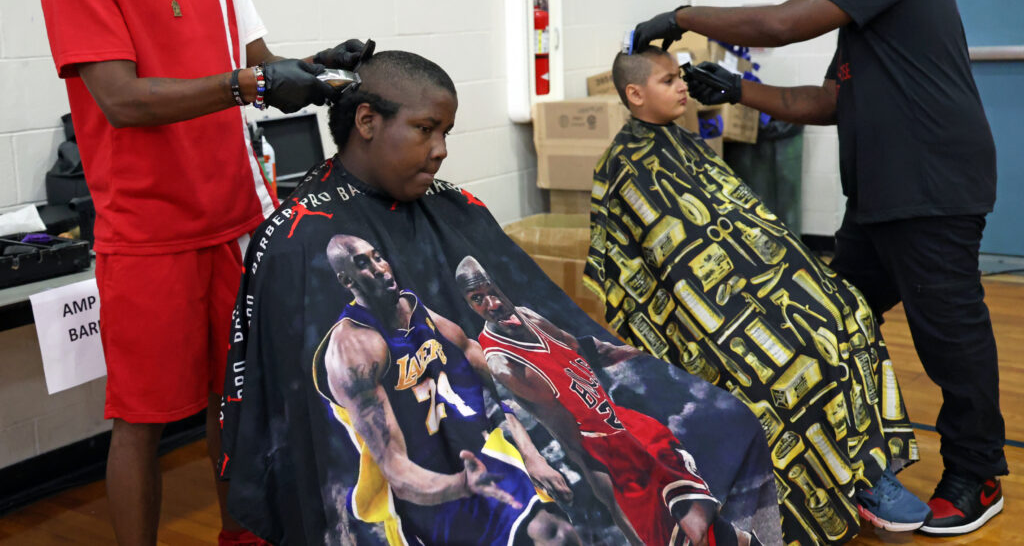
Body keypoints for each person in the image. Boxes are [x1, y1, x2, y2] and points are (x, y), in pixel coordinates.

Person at [220, 50, 784, 545]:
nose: (440, 150)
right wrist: (464, 477)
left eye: (447, 132)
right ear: (366, 121)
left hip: (507, 429)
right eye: (425, 130)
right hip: (430, 476)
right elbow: (338, 438)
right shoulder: (300, 242)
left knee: (729, 424)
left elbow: (522, 334)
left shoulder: (453, 207)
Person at [38, 0, 370, 545]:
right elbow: (121, 99)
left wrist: (323, 68)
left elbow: (259, 65)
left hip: (234, 218)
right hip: (148, 231)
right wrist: (246, 83)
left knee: (238, 402)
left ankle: (240, 536)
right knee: (142, 421)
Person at [629, 0, 1006, 536]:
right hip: (882, 199)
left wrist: (683, 15)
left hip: (932, 185)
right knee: (829, 319)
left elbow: (780, 24)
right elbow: (829, 98)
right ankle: (854, 459)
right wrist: (739, 89)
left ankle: (978, 474)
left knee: (948, 333)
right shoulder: (866, 15)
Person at [585, 47, 932, 544]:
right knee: (797, 357)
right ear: (635, 93)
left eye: (681, 77)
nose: (683, 86)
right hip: (708, 311)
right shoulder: (624, 167)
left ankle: (866, 470)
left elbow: (741, 221)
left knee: (848, 311)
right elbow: (665, 264)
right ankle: (842, 485)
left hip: (756, 282)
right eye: (668, 81)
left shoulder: (682, 142)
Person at [457, 255, 760, 546]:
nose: (492, 304)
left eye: (491, 291)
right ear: (469, 304)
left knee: (704, 515)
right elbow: (571, 437)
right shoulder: (505, 364)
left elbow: (590, 349)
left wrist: (648, 357)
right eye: (478, 298)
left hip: (625, 421)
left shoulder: (528, 315)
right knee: (674, 528)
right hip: (602, 450)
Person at [312, 233, 579, 545]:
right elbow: (396, 470)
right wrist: (463, 485)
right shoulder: (353, 350)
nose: (380, 268)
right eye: (363, 264)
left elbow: (492, 383)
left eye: (377, 256)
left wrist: (531, 455)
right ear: (346, 280)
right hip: (425, 488)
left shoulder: (417, 311)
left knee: (557, 533)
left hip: (476, 453)